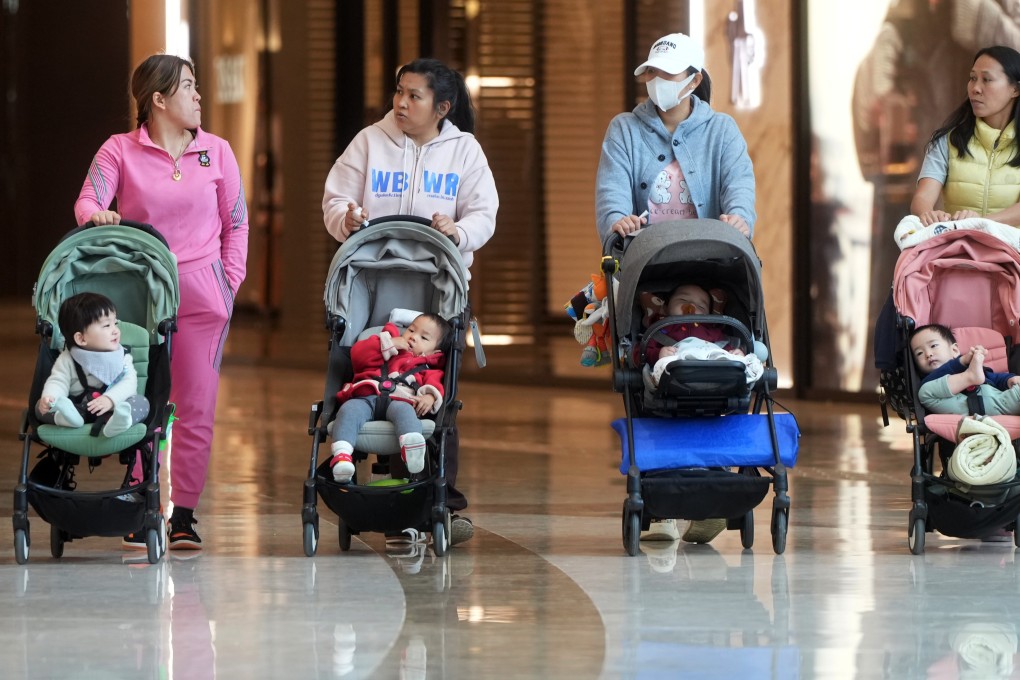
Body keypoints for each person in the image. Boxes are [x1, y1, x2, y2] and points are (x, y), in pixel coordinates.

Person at [74, 54, 249, 550]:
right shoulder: (119, 150)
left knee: (195, 405)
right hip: (142, 294)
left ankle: (184, 515)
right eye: (189, 87)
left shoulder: (217, 151)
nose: (198, 97)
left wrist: (227, 285)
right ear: (159, 99)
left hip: (203, 294)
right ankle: (140, 500)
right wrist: (97, 216)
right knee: (142, 399)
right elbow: (88, 200)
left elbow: (236, 224)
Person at [322, 57, 498, 546]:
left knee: (433, 383)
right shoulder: (369, 141)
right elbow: (334, 198)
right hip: (375, 284)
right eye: (399, 92)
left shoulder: (465, 151)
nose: (401, 103)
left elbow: (485, 212)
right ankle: (387, 491)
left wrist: (459, 231)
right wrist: (348, 217)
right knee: (372, 375)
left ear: (442, 107)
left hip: (436, 291)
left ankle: (441, 498)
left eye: (414, 96)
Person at [595, 32, 756, 244]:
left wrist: (739, 218)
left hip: (709, 265)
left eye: (668, 71)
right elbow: (611, 194)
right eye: (651, 71)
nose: (657, 79)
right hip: (643, 265)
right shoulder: (624, 129)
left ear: (694, 80)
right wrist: (616, 221)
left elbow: (739, 186)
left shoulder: (722, 130)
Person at [330, 313, 450, 484]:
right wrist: (389, 344)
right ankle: (342, 458)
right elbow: (357, 356)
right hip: (367, 395)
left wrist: (430, 396)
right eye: (411, 330)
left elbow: (435, 384)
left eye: (423, 337)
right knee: (348, 410)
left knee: (406, 412)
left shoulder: (427, 367)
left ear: (434, 352)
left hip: (401, 401)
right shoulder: (385, 344)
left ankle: (411, 448)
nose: (413, 337)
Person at [911, 45, 1020, 227]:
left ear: (1015, 90)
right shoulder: (947, 141)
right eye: (972, 78)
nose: (975, 88)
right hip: (958, 249)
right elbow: (922, 197)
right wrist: (930, 215)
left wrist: (979, 223)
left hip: (1012, 252)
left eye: (987, 79)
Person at [36, 292, 149, 437]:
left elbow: (129, 384)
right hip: (79, 409)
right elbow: (58, 381)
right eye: (107, 325)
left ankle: (120, 422)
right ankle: (66, 418)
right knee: (40, 407)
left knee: (141, 402)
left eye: (115, 323)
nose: (115, 330)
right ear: (81, 338)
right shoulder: (68, 358)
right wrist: (51, 398)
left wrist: (110, 399)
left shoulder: (121, 357)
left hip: (113, 409)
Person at [910, 324, 1020, 415]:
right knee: (924, 392)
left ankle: (971, 376)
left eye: (933, 346)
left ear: (954, 350)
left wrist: (1009, 379)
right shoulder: (929, 381)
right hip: (963, 413)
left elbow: (995, 378)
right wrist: (961, 362)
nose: (928, 354)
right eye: (919, 353)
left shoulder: (973, 365)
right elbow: (928, 387)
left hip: (1000, 402)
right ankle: (969, 377)